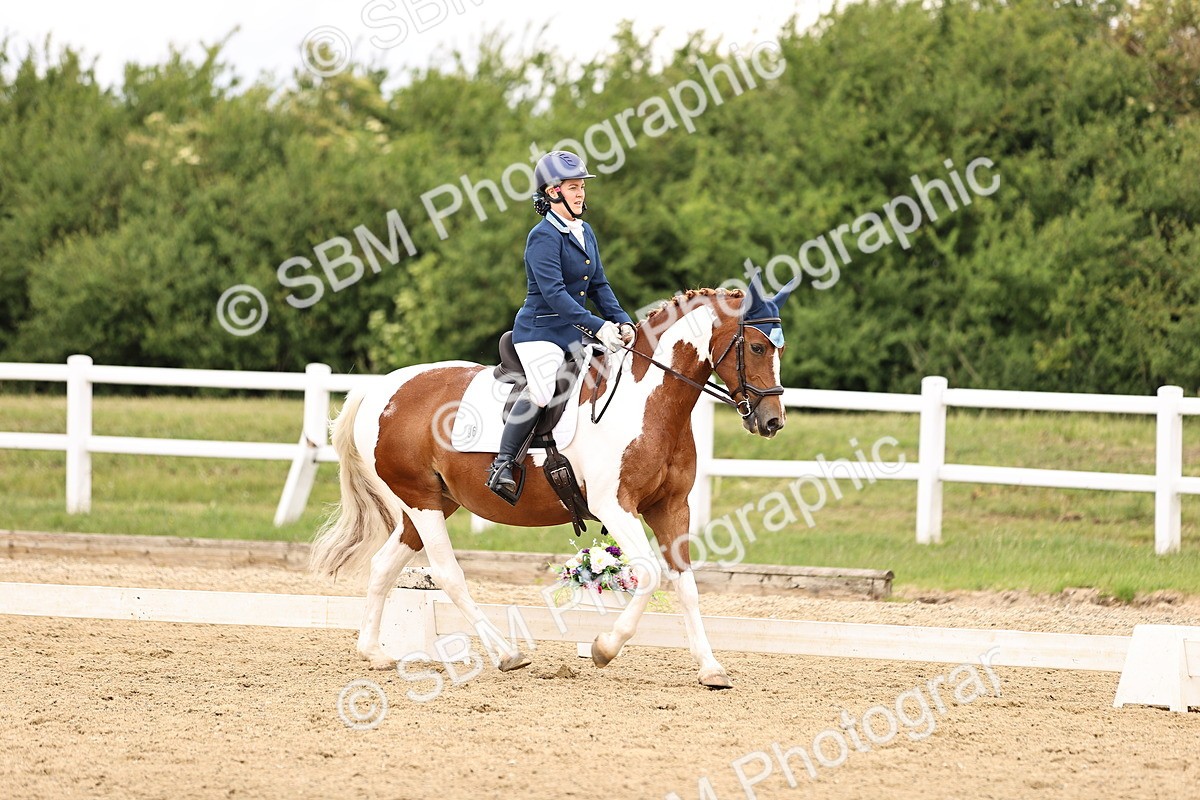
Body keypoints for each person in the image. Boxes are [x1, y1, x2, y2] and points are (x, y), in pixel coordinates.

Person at [486, 150, 635, 497]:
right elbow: (554, 294)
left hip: (575, 333)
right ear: (553, 193)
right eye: (573, 187)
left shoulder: (585, 231)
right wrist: (598, 326)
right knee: (541, 391)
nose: (581, 193)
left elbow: (599, 285)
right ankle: (504, 464)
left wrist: (624, 321)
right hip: (540, 332)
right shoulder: (543, 237)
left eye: (582, 186)